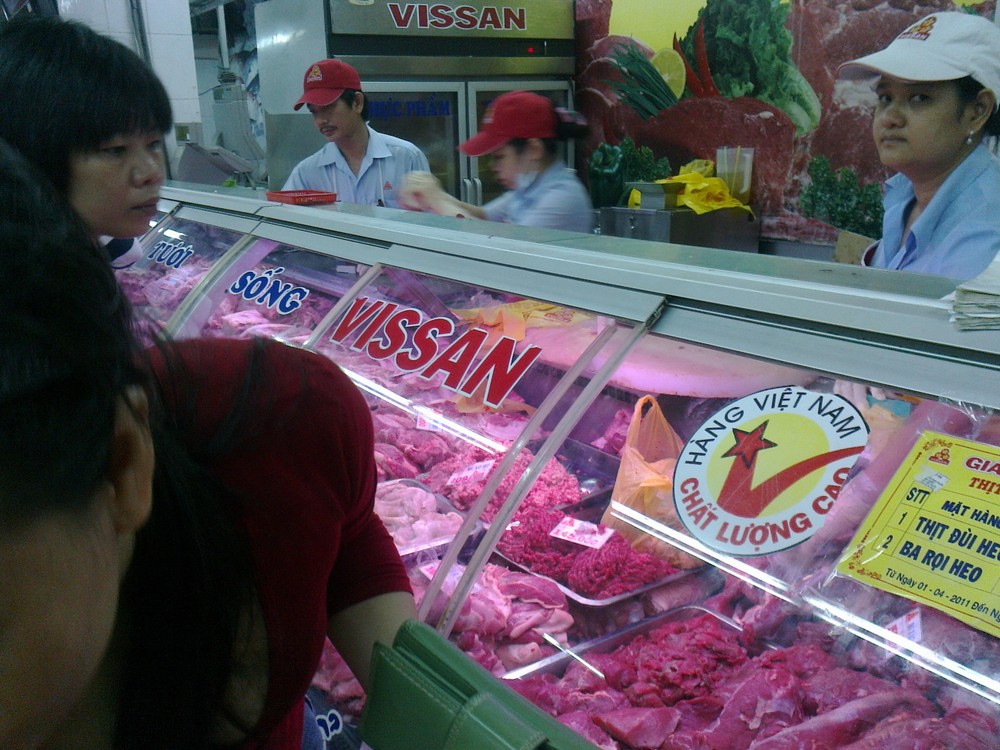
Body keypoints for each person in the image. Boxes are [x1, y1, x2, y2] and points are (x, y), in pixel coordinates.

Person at [0, 136, 417, 750]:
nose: (146, 172)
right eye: (113, 149)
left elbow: (349, 545)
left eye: (146, 144)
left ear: (124, 464)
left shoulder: (274, 419)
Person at [838, 11, 1000, 281]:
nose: (890, 118)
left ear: (977, 111)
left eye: (920, 98)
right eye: (886, 97)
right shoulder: (906, 197)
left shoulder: (987, 236)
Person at [0, 15, 170, 268]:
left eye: (154, 144)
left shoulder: (75, 259)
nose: (152, 174)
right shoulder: (28, 293)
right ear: (31, 157)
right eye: (115, 150)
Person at [400, 90, 594, 233]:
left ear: (534, 149)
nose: (493, 167)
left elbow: (500, 250)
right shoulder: (526, 189)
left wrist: (437, 200)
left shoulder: (561, 197)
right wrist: (435, 194)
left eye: (499, 157)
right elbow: (483, 216)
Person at [283, 58, 430, 207]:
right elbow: (284, 221)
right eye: (313, 112)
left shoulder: (407, 157)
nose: (320, 120)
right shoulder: (307, 172)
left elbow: (432, 223)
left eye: (328, 108)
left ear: (357, 102)